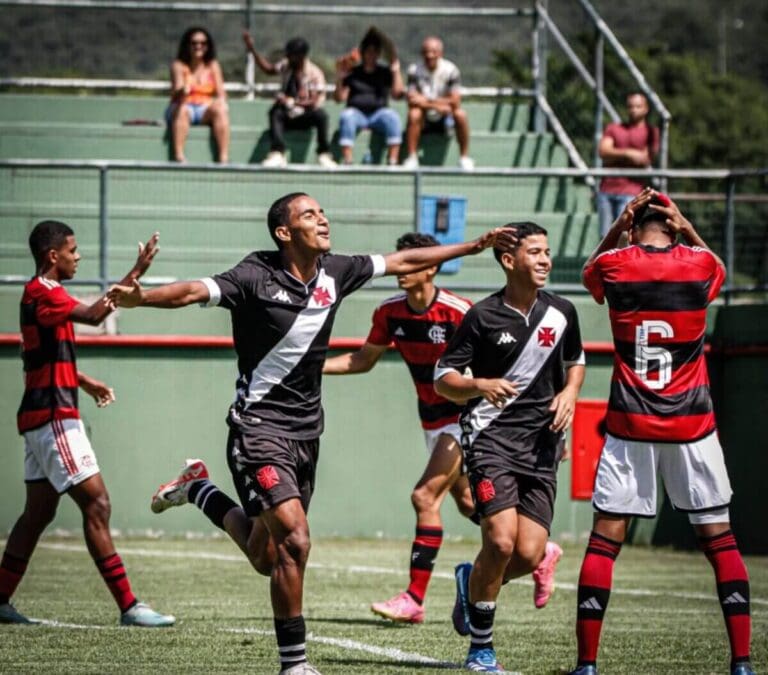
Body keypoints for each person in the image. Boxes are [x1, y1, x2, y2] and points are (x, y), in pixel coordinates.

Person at [106, 193, 510, 675]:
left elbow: (404, 259)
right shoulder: (254, 275)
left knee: (265, 554)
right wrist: (142, 297)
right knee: (296, 541)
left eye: (322, 212)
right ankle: (294, 665)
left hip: (306, 434)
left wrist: (471, 247)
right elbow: (194, 290)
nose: (322, 219)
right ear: (284, 232)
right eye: (309, 215)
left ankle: (198, 488)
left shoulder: (337, 271)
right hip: (257, 429)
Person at [569, 189, 754, 675]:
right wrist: (688, 224)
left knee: (605, 543)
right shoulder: (696, 265)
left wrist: (617, 228)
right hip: (693, 424)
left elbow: (590, 272)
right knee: (721, 542)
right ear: (671, 226)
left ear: (632, 227)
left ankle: (587, 665)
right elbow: (720, 268)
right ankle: (741, 661)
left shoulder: (616, 265)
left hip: (631, 423)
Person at [0, 221, 174, 628]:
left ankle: (0, 599)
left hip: (41, 415)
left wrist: (84, 380)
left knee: (37, 515)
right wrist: (137, 271)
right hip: (54, 418)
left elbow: (40, 358)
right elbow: (97, 314)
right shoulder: (43, 293)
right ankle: (130, 607)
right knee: (97, 504)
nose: (78, 257)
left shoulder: (44, 295)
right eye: (73, 250)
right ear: (52, 256)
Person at [434, 222, 585, 672]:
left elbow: (576, 362)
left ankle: (470, 581)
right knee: (499, 543)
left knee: (529, 553)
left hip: (542, 447)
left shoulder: (563, 312)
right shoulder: (481, 316)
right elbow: (444, 380)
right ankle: (481, 650)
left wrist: (571, 393)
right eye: (535, 252)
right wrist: (479, 383)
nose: (545, 260)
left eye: (547, 251)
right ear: (508, 260)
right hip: (490, 443)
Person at [323, 232, 474, 623]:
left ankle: (414, 598)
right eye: (400, 261)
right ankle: (539, 551)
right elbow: (362, 360)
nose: (400, 270)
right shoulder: (390, 313)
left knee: (424, 498)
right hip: (432, 420)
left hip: (466, 420)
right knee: (470, 503)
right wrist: (311, 366)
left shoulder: (459, 312)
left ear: (433, 266)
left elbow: (494, 368)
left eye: (412, 262)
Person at [243, 33, 336, 169]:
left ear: (301, 56)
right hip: (288, 115)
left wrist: (291, 102)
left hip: (305, 115)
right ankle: (277, 152)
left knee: (321, 116)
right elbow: (268, 69)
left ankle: (324, 154)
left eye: (293, 55)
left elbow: (314, 102)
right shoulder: (286, 66)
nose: (289, 58)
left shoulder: (314, 73)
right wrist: (252, 49)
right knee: (275, 112)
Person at [333, 28, 404, 166]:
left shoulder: (384, 72)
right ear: (363, 53)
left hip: (378, 114)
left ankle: (393, 160)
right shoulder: (353, 73)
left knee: (393, 118)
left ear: (378, 54)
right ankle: (348, 160)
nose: (371, 55)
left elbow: (397, 94)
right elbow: (339, 98)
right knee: (346, 117)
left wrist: (396, 70)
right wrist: (340, 78)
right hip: (357, 113)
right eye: (368, 51)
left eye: (375, 52)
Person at [403, 36, 473, 171]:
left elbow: (455, 101)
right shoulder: (414, 70)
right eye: (426, 51)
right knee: (414, 114)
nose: (429, 55)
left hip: (445, 118)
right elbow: (412, 100)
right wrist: (438, 105)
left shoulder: (451, 70)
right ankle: (412, 157)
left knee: (461, 114)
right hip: (425, 116)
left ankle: (464, 158)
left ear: (440, 53)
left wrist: (425, 100)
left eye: (433, 51)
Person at [596, 92, 659, 236]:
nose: (634, 110)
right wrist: (629, 153)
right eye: (630, 106)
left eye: (638, 106)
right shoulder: (614, 128)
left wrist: (614, 154)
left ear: (646, 108)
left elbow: (645, 159)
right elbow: (603, 152)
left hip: (631, 192)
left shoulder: (651, 132)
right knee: (605, 236)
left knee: (625, 234)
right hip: (606, 189)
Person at [167, 26, 230, 163]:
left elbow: (221, 93)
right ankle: (179, 155)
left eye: (203, 43)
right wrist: (183, 90)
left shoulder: (213, 66)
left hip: (204, 108)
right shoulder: (178, 66)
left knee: (220, 110)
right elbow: (176, 92)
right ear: (187, 45)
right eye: (194, 43)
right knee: (182, 109)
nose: (198, 46)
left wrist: (220, 101)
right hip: (183, 107)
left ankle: (223, 158)